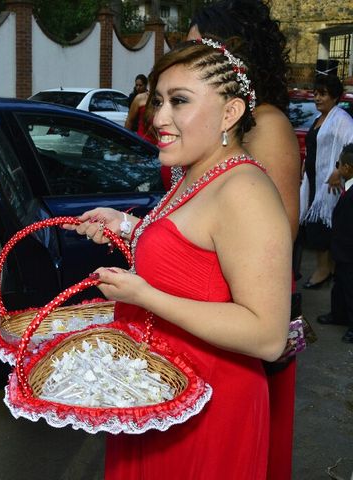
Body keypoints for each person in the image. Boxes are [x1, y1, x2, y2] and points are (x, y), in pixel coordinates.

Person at [66, 39, 291, 479]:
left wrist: (144, 295)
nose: (158, 118)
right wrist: (127, 226)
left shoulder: (244, 190)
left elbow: (267, 335)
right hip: (160, 390)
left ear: (230, 113)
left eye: (179, 102)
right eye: (159, 101)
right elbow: (194, 257)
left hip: (210, 403)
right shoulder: (196, 172)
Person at [186, 3, 302, 478]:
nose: (183, 55)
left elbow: (278, 235)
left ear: (232, 53)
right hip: (199, 312)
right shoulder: (205, 122)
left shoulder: (267, 124)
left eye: (195, 46)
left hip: (243, 312)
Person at [300, 74, 353, 289]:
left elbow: (351, 146)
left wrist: (338, 171)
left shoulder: (341, 119)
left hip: (328, 182)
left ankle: (324, 270)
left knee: (322, 226)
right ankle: (327, 269)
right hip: (313, 179)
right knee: (315, 225)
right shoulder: (319, 119)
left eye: (323, 94)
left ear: (334, 97)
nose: (317, 99)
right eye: (316, 94)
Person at [316, 144, 353, 342]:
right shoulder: (347, 188)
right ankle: (338, 315)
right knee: (339, 285)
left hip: (348, 251)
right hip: (342, 251)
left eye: (338, 165)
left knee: (349, 288)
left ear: (346, 168)